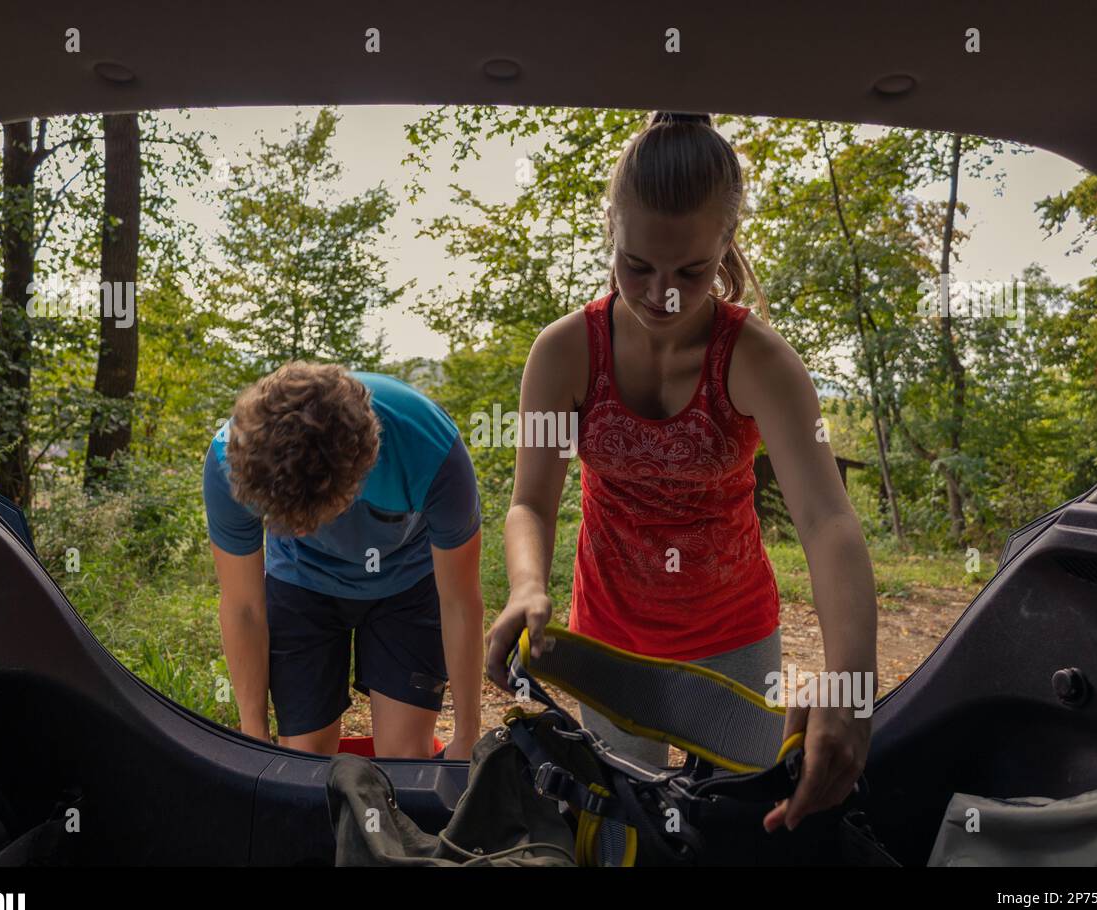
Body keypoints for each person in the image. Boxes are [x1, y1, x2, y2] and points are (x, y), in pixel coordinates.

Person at [485, 111, 878, 832]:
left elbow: (828, 523)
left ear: (725, 244)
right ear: (613, 231)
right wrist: (527, 584)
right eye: (637, 265)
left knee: (740, 829)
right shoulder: (564, 353)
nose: (661, 294)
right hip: (609, 636)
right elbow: (531, 504)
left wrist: (851, 685)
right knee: (625, 826)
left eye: (691, 272)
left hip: (734, 634)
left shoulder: (760, 361)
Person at [204, 361, 484, 760]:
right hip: (301, 583)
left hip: (407, 582)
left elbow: (460, 601)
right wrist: (254, 736)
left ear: (362, 472)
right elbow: (244, 607)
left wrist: (468, 733)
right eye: (281, 520)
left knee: (405, 759)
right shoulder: (227, 463)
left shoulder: (431, 449)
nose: (298, 531)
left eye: (311, 519)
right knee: (304, 760)